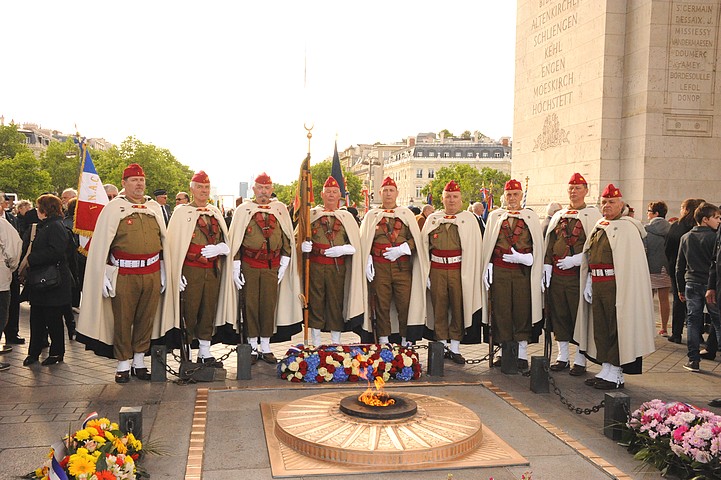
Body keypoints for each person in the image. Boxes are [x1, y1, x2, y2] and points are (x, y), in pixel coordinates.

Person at [76, 163, 173, 383]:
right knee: (123, 319)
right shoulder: (113, 208)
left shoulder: (154, 208)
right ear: (124, 183)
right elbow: (102, 245)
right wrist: (101, 274)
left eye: (141, 180)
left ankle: (139, 361)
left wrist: (165, 268)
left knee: (146, 318)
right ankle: (123, 364)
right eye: (134, 180)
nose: (139, 184)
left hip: (152, 272)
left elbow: (164, 241)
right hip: (125, 274)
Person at [576, 184, 655, 389]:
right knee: (600, 326)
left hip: (616, 285)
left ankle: (617, 371)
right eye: (604, 202)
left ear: (621, 205)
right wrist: (589, 281)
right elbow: (590, 256)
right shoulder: (600, 225)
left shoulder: (628, 227)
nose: (607, 206)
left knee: (615, 327)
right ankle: (606, 367)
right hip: (598, 283)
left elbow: (629, 265)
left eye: (612, 202)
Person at [225, 173, 301, 363]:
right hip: (249, 265)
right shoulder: (244, 210)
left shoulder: (280, 209)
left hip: (272, 265)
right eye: (260, 187)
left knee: (268, 304)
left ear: (271, 189)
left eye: (267, 188)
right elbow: (236, 239)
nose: (263, 192)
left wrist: (285, 262)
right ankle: (251, 345)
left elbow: (287, 237)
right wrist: (235, 265)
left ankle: (265, 345)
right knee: (250, 304)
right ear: (254, 189)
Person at [164, 171, 233, 365]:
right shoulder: (181, 212)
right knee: (189, 312)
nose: (204, 191)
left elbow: (224, 239)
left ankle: (205, 352)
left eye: (206, 187)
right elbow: (173, 246)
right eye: (200, 187)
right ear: (192, 189)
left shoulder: (215, 212)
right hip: (190, 270)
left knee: (208, 310)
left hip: (211, 270)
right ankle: (187, 354)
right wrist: (176, 273)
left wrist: (221, 247)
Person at [481, 179, 543, 371]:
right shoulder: (495, 216)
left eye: (516, 194)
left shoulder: (530, 217)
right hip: (500, 269)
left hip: (522, 271)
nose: (512, 198)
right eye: (509, 194)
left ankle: (522, 353)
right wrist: (488, 265)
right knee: (501, 310)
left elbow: (537, 246)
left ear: (521, 196)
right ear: (504, 196)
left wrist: (528, 259)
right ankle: (503, 351)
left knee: (522, 309)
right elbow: (488, 244)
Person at [543, 173, 601, 375]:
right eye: (571, 188)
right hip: (558, 275)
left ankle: (580, 359)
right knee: (560, 315)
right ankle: (562, 356)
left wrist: (576, 260)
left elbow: (595, 246)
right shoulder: (559, 215)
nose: (573, 192)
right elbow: (550, 242)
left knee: (579, 316)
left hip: (578, 275)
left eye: (578, 188)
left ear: (586, 191)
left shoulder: (593, 216)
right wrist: (547, 266)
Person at [359, 177, 426, 345]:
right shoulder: (371, 216)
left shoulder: (406, 214)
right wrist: (367, 259)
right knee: (382, 304)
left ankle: (405, 339)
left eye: (391, 190)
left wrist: (403, 249)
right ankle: (383, 339)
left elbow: (417, 240)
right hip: (379, 266)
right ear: (380, 193)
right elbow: (364, 241)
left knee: (405, 304)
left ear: (397, 193)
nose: (388, 194)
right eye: (385, 191)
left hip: (402, 266)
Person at [421, 180, 482, 363]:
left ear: (461, 199)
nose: (452, 200)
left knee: (458, 307)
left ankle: (455, 347)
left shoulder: (469, 220)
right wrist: (426, 272)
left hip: (458, 269)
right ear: (442, 198)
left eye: (455, 197)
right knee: (438, 306)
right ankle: (440, 345)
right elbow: (424, 246)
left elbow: (475, 249)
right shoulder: (433, 219)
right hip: (437, 268)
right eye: (448, 197)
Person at [300, 176, 365, 346]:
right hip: (315, 265)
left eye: (334, 192)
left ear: (339, 196)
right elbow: (296, 238)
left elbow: (356, 244)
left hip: (337, 267)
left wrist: (344, 249)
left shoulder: (347, 217)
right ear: (321, 194)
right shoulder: (311, 214)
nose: (330, 195)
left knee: (336, 302)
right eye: (327, 192)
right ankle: (316, 342)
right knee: (315, 302)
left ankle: (336, 342)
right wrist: (302, 246)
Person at [20, 194, 74, 367]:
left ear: (45, 209)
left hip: (53, 282)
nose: (36, 211)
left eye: (38, 207)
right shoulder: (47, 225)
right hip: (41, 281)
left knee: (53, 320)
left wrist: (33, 259)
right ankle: (34, 352)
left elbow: (57, 252)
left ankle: (57, 352)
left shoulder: (55, 227)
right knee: (36, 319)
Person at [676, 202, 721, 372]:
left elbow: (679, 266)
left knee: (693, 322)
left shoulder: (686, 237)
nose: (719, 220)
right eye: (716, 217)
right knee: (717, 321)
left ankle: (693, 360)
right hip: (711, 285)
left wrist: (680, 288)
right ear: (704, 219)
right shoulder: (715, 237)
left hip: (691, 283)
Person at [665, 198, 705, 343]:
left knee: (678, 300)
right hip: (694, 269)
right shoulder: (697, 228)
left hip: (676, 267)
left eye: (682, 207)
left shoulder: (676, 225)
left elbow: (667, 247)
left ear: (686, 209)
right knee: (696, 303)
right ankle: (698, 334)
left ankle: (676, 334)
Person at [644, 201, 672, 336]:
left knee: (647, 299)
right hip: (665, 268)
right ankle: (664, 328)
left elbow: (644, 250)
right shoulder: (671, 228)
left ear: (655, 213)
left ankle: (647, 327)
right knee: (664, 299)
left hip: (649, 267)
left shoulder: (646, 230)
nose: (647, 213)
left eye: (649, 211)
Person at [0, 215, 21, 367]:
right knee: (1, 315)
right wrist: (10, 267)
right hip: (0, 281)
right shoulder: (2, 224)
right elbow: (14, 248)